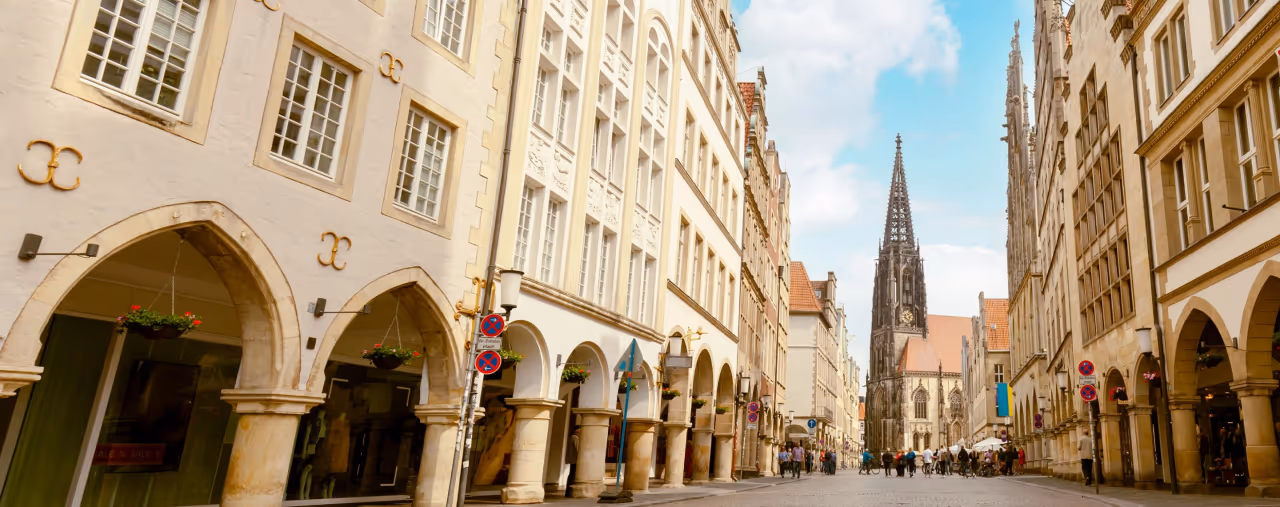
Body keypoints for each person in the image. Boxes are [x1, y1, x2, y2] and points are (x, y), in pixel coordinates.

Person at [565, 428, 580, 497]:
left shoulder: (573, 437)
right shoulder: (575, 437)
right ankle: (569, 491)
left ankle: (568, 491)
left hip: (573, 459)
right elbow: (578, 448)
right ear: (577, 430)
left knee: (572, 474)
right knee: (573, 475)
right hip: (575, 459)